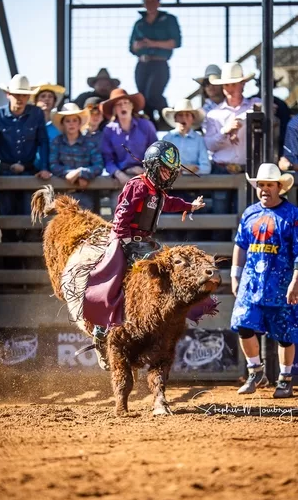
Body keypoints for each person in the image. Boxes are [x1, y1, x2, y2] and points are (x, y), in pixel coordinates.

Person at [78, 140, 205, 369]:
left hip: (145, 244)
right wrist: (123, 240)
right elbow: (122, 213)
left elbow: (169, 203)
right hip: (128, 242)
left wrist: (188, 206)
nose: (167, 175)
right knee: (118, 284)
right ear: (154, 166)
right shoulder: (137, 186)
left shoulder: (157, 191)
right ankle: (101, 330)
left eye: (170, 172)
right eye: (165, 170)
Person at [230, 163, 298, 398]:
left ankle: (285, 379)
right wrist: (236, 275)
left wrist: (296, 281)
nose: (264, 189)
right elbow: (240, 244)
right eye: (261, 185)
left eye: (269, 185)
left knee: (285, 334)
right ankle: (256, 371)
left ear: (279, 187)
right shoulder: (250, 213)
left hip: (282, 284)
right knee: (243, 325)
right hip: (252, 282)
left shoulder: (294, 216)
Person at [0, 74, 51, 254]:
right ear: (8, 94)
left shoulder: (36, 114)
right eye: (16, 94)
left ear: (28, 97)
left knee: (31, 222)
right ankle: (9, 274)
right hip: (5, 172)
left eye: (23, 95)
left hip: (29, 173)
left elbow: (43, 141)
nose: (19, 98)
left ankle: (28, 275)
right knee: (6, 221)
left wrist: (44, 167)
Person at [204, 62, 260, 240]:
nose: (229, 88)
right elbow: (209, 145)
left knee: (249, 220)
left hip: (248, 169)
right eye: (227, 84)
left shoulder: (255, 105)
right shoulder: (213, 114)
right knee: (220, 220)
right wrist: (225, 130)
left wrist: (240, 121)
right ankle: (222, 263)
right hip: (222, 170)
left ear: (243, 84)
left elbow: (265, 109)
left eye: (234, 83)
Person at [101, 88, 158, 209]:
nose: (123, 106)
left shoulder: (146, 125)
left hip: (145, 176)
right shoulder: (108, 130)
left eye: (126, 103)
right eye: (119, 104)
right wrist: (119, 174)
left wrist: (146, 170)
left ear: (132, 106)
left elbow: (156, 152)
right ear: (114, 110)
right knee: (119, 216)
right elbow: (107, 160)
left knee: (146, 217)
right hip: (121, 179)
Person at [129, 0, 181, 127]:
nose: (150, 3)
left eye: (153, 0)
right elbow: (131, 47)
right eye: (147, 1)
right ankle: (150, 127)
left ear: (159, 2)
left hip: (160, 63)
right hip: (142, 64)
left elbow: (175, 42)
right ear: (143, 3)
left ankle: (167, 118)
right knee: (143, 99)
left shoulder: (169, 20)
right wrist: (137, 45)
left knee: (153, 94)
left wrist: (152, 43)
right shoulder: (139, 23)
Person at [50, 103, 104, 211]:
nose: (71, 124)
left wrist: (80, 172)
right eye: (68, 121)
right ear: (63, 124)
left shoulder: (90, 143)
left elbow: (98, 166)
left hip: (85, 194)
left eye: (75, 120)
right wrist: (67, 174)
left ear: (80, 123)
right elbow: (53, 165)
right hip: (61, 195)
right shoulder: (57, 142)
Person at [162, 99, 210, 175]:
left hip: (193, 184)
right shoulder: (167, 139)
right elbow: (162, 164)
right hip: (171, 184)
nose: (184, 118)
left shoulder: (199, 139)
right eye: (180, 115)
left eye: (187, 115)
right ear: (175, 118)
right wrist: (184, 168)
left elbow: (206, 168)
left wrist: (192, 170)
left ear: (192, 119)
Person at [254, 75, 290, 157]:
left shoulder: (281, 105)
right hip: (252, 147)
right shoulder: (249, 103)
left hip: (275, 148)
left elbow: (285, 130)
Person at [193, 64, 224, 132]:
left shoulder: (234, 105)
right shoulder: (200, 113)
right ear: (204, 87)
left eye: (214, 82)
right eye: (206, 83)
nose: (210, 86)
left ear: (222, 84)